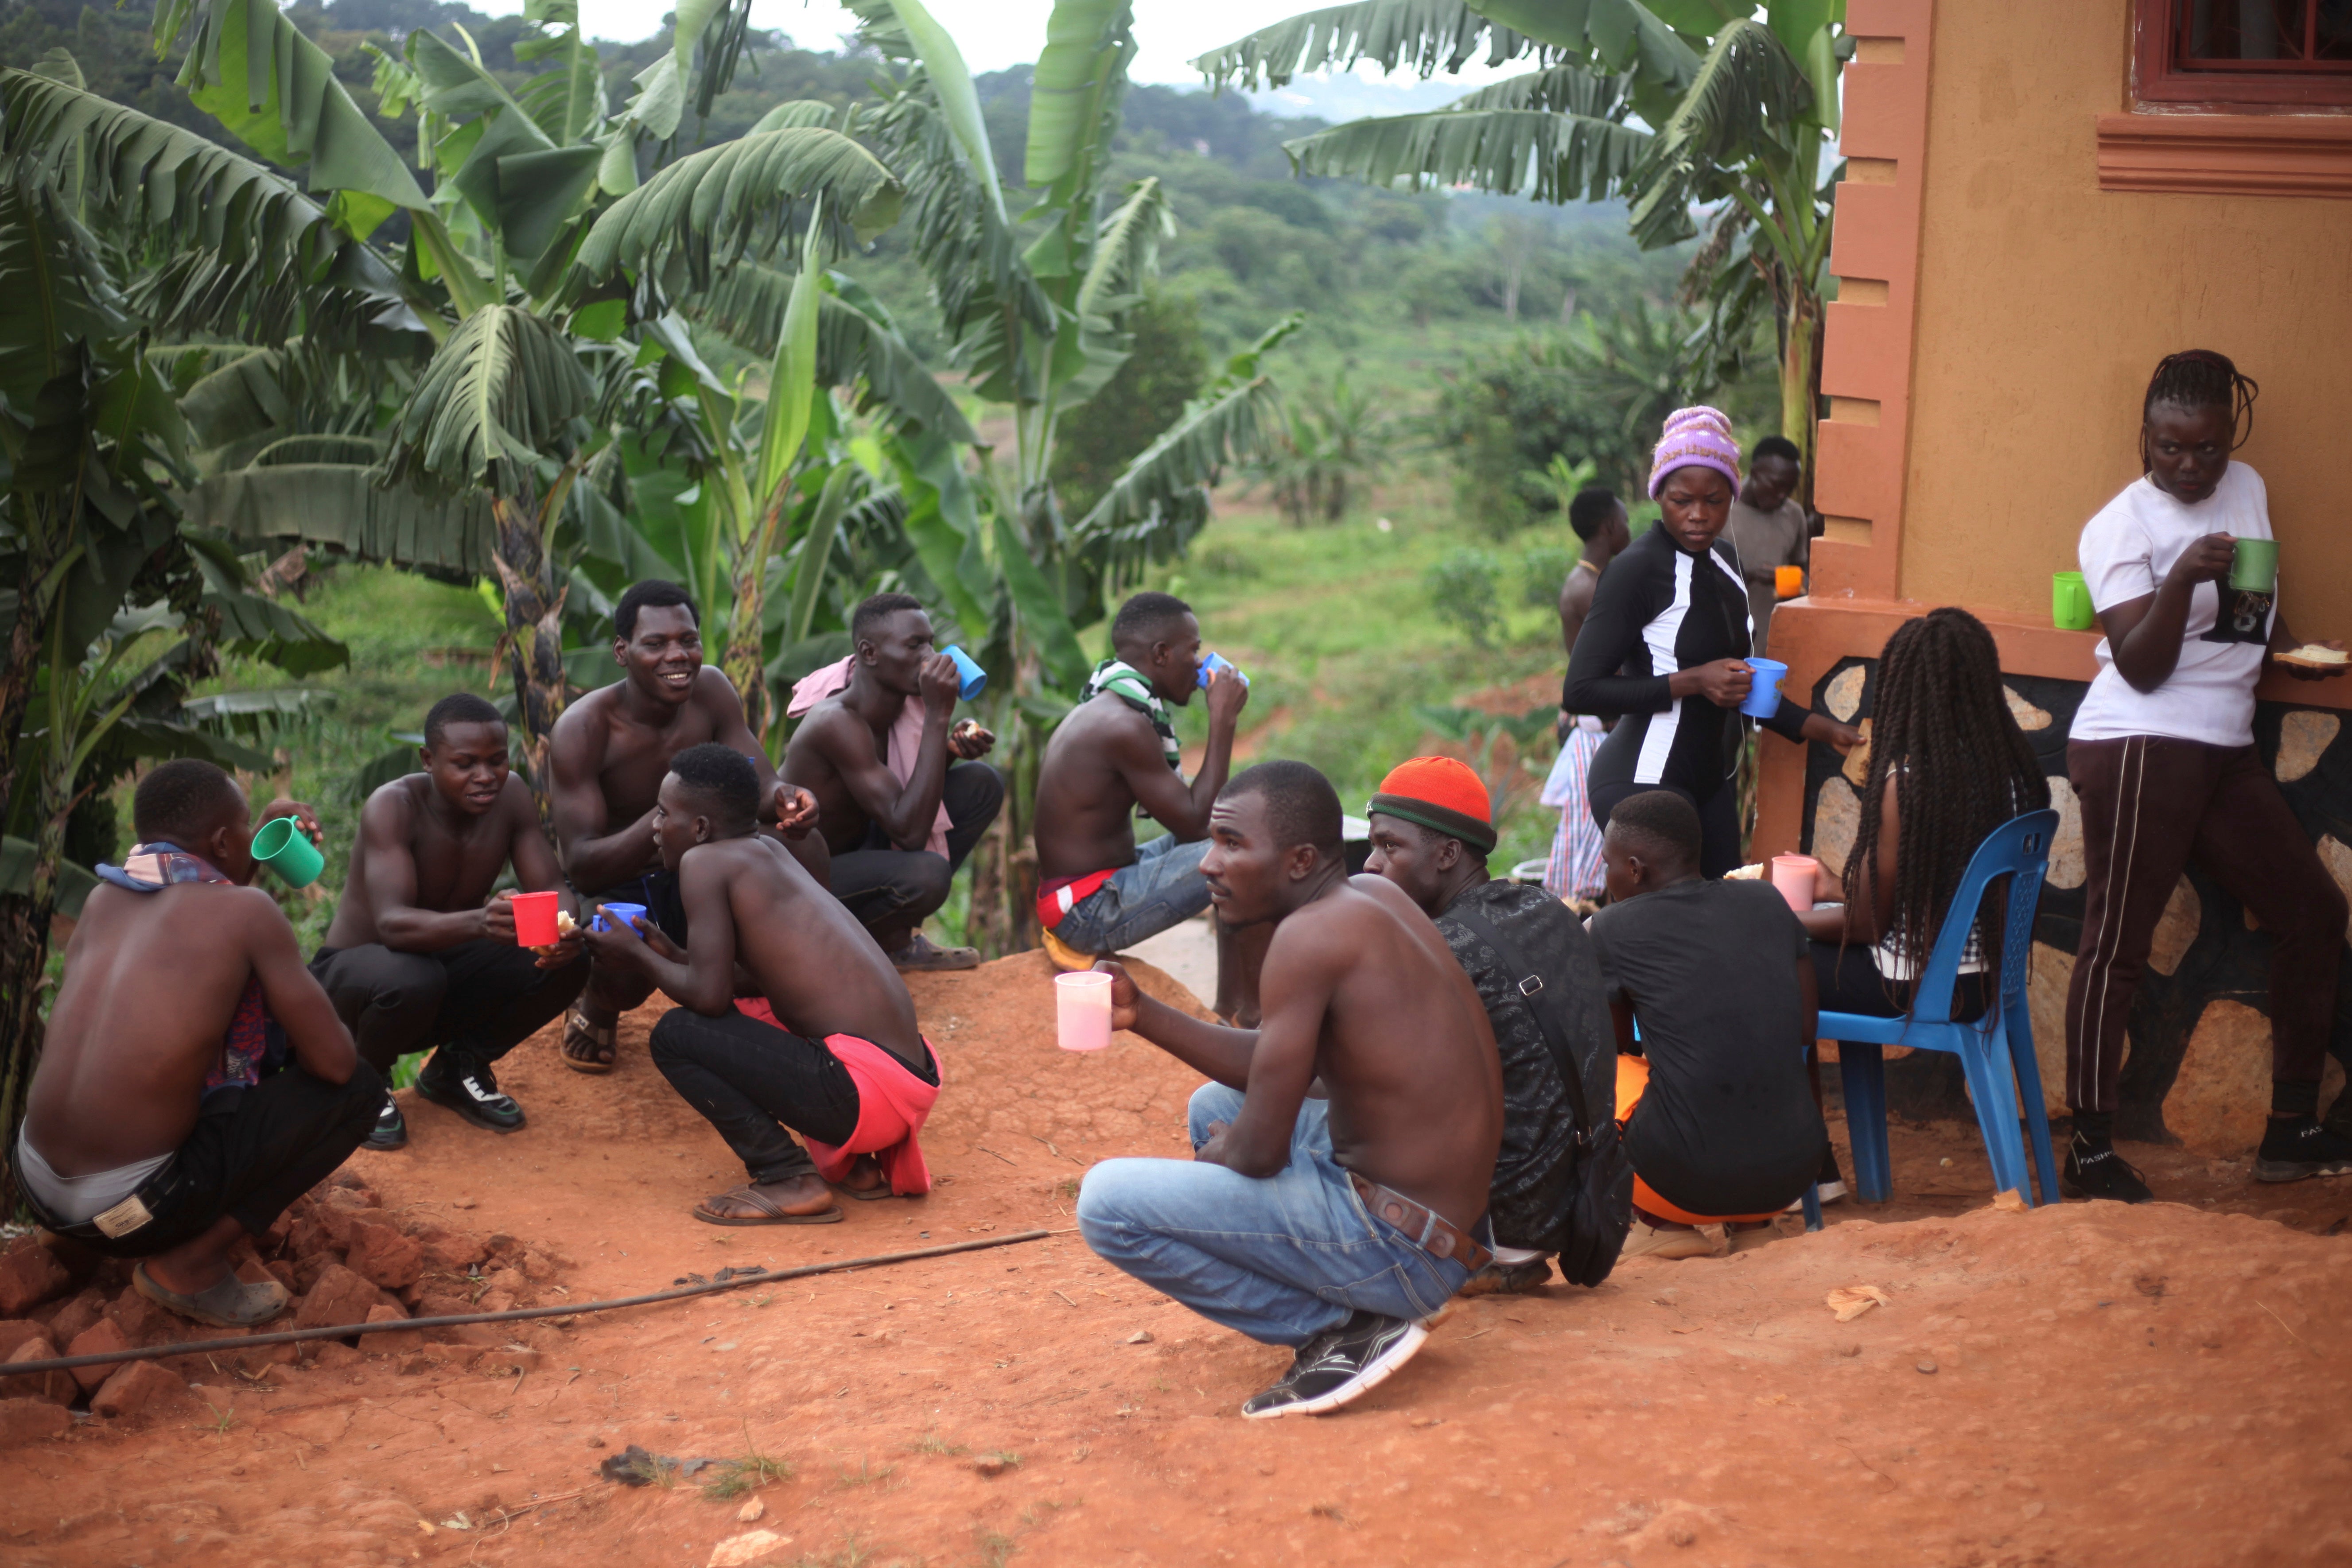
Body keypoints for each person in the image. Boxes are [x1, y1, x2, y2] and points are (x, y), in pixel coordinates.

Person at [1076, 762, 1504, 1420]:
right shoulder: (1367, 896)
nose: (1207, 865)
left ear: (1300, 860)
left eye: (1231, 844)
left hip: (1404, 1250)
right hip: (1448, 1228)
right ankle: (1355, 1305)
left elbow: (1258, 1155)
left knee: (1105, 1203)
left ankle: (1335, 1328)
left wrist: (1226, 1154)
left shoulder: (1305, 940)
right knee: (1211, 1108)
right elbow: (1281, 1066)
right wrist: (1143, 1015)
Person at [2063, 350, 2350, 1201]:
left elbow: (2252, 606)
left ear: (2230, 437)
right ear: (2142, 439)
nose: (2188, 467)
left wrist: (2287, 649)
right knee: (2115, 943)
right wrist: (2181, 573)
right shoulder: (2118, 527)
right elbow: (2141, 666)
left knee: (2312, 912)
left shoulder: (2247, 486)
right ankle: (2086, 1149)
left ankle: (2289, 1130)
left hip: (2222, 748)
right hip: (2139, 741)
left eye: (2206, 448)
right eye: (2167, 449)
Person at [16, 761, 377, 1327]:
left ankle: (72, 1245)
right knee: (359, 1090)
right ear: (221, 841)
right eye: (241, 831)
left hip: (36, 1185)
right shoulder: (248, 913)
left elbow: (207, 903)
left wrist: (245, 845)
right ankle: (190, 1266)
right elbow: (334, 1064)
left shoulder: (102, 900)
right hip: (134, 1213)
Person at [579, 745, 939, 1226]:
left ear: (702, 829)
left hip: (863, 1095)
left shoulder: (704, 864)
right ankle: (855, 1167)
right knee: (751, 1007)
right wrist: (666, 950)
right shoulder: (769, 849)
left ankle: (787, 1175)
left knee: (674, 1035)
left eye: (664, 814)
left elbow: (706, 998)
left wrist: (635, 956)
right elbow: (750, 979)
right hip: (905, 1086)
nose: (655, 827)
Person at [1794, 608, 2052, 1199]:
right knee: (1794, 947)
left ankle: (1810, 1166)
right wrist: (1838, 889)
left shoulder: (1907, 782)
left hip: (1914, 989)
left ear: (1907, 690)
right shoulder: (2012, 778)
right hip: (1984, 984)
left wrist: (1778, 919)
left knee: (1775, 965)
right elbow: (1921, 892)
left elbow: (1866, 927)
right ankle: (1822, 1168)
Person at [1565, 408, 1858, 878]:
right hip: (1643, 781)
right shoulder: (1636, 570)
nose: (1698, 515)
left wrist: (1824, 731)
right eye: (1681, 500)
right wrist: (1693, 681)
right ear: (1659, 493)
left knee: (1724, 913)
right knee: (1673, 936)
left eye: (1714, 500)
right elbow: (1580, 691)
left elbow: (1739, 683)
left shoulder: (1725, 561)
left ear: (1732, 498)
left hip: (1707, 781)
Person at [1363, 757, 1613, 1296]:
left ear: (1448, 854)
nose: (1369, 864)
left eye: (1389, 847)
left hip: (1501, 1217)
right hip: (1577, 1202)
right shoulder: (1547, 908)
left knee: (1327, 1107)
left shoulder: (1437, 949)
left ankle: (1420, 1265)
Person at [549, 580, 823, 1071]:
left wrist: (786, 800)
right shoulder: (584, 729)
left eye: (688, 641)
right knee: (619, 942)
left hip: (704, 865)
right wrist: (666, 817)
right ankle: (597, 1004)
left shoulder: (712, 691)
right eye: (655, 644)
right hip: (626, 880)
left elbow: (759, 785)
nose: (677, 656)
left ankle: (768, 993)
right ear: (622, 651)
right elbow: (585, 867)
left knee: (804, 848)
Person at [310, 695, 589, 1149]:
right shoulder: (393, 806)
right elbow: (393, 926)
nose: (485, 776)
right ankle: (363, 1082)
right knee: (415, 975)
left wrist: (562, 932)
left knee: (573, 960)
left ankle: (457, 1067)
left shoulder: (512, 796)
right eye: (465, 764)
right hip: (357, 983)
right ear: (428, 760)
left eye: (497, 761)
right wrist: (482, 922)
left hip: (438, 971)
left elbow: (555, 888)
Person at [1587, 790, 1827, 1260]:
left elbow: (1610, 1045)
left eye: (1607, 864)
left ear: (1634, 869)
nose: (1606, 875)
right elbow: (1803, 1028)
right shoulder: (1768, 901)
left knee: (1596, 1073)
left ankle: (1662, 1226)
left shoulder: (1611, 929)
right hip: (1794, 1170)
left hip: (1680, 1179)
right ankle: (1754, 1223)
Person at [782, 592, 1002, 972]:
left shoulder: (899, 707)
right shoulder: (836, 721)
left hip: (861, 848)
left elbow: (892, 796)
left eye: (931, 642)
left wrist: (947, 748)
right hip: (799, 882)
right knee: (927, 874)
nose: (932, 657)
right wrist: (937, 716)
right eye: (915, 645)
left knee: (980, 784)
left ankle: (894, 942)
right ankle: (838, 949)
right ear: (870, 654)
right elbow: (910, 832)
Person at [1031, 591, 1248, 956]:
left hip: (1103, 881)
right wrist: (1222, 720)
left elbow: (1194, 821)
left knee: (1245, 835)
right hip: (1086, 910)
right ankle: (1235, 1005)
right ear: (1161, 654)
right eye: (1193, 651)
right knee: (1245, 858)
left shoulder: (1116, 707)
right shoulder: (1122, 725)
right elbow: (1196, 825)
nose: (1199, 666)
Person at [1543, 487, 1632, 904]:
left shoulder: (1589, 581)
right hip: (1597, 730)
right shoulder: (1591, 587)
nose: (1630, 529)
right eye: (1626, 521)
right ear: (1611, 527)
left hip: (1594, 724)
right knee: (1594, 854)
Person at [1723, 434, 1810, 659]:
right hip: (1723, 646)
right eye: (1776, 486)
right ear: (1754, 474)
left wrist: (1795, 584)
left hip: (1772, 647)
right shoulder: (1721, 511)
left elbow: (1804, 574)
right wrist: (1749, 575)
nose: (1782, 496)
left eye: (1789, 489)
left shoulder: (1794, 515)